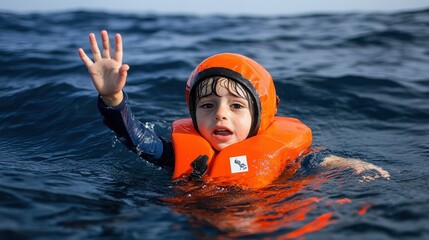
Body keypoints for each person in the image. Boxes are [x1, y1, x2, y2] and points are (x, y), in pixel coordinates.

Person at [78, 30, 389, 189]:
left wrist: (353, 164)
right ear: (193, 111)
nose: (220, 114)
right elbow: (135, 138)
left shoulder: (284, 156)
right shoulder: (175, 154)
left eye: (236, 105)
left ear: (262, 113)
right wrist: (114, 99)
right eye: (208, 105)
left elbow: (320, 159)